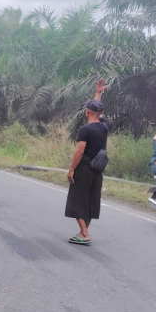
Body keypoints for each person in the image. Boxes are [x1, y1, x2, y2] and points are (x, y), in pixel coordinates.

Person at [65, 80, 108, 245]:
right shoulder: (104, 126)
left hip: (84, 169)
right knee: (91, 200)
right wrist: (98, 93)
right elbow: (97, 109)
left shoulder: (85, 130)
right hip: (98, 169)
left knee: (78, 200)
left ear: (87, 112)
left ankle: (84, 233)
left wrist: (71, 170)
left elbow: (80, 151)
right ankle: (83, 232)